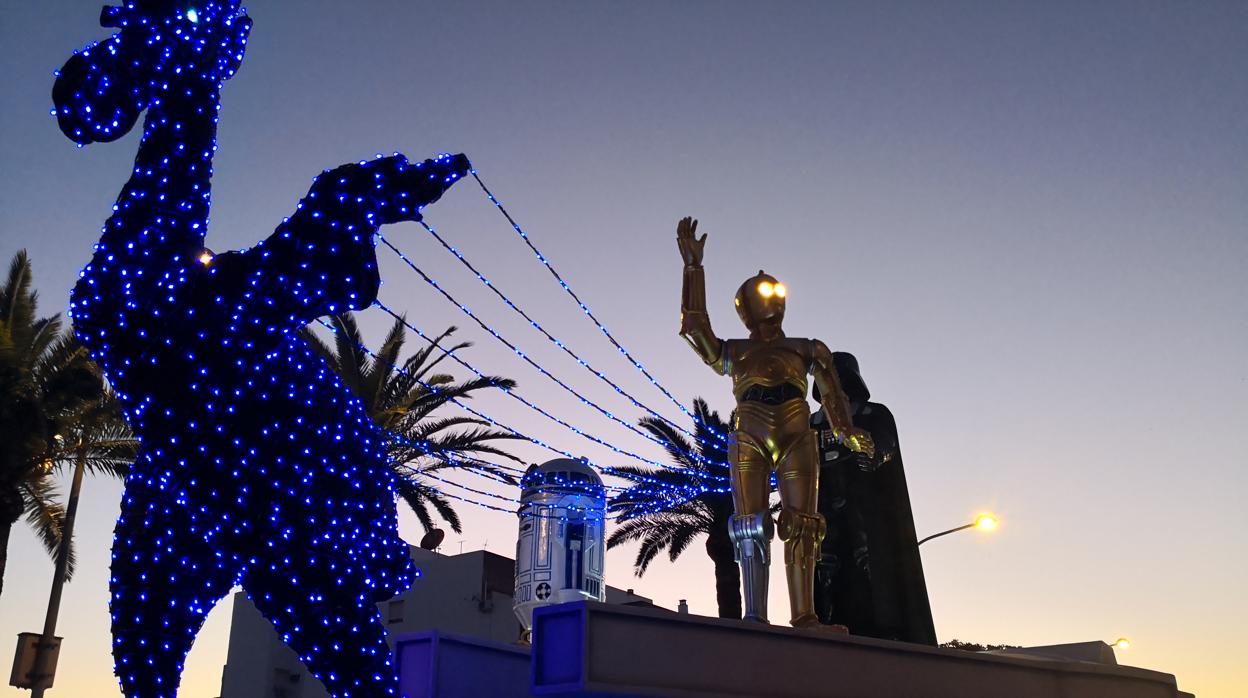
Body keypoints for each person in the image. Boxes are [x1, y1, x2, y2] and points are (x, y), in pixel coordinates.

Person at [676, 217, 873, 629]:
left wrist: (846, 430)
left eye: (775, 293)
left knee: (805, 523)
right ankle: (755, 616)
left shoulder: (808, 348)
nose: (772, 302)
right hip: (749, 429)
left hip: (797, 429)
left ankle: (805, 614)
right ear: (746, 309)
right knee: (750, 525)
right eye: (761, 296)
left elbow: (832, 392)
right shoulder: (736, 351)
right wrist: (693, 267)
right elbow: (695, 328)